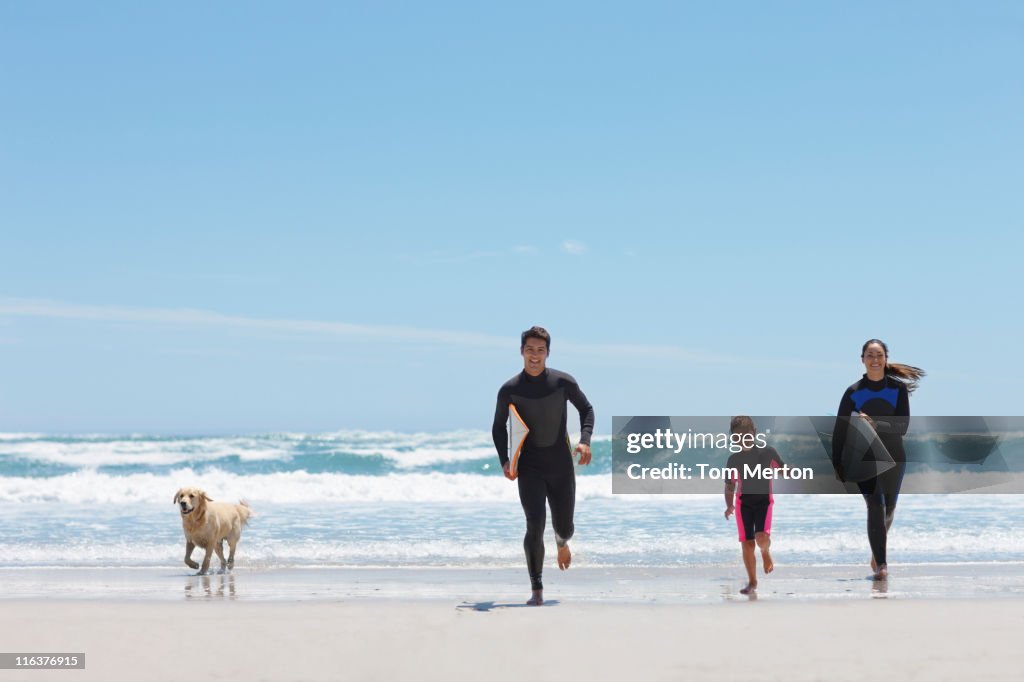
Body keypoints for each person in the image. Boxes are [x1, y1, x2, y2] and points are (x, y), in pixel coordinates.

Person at [491, 326, 595, 606]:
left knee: (565, 526)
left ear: (547, 353)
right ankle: (536, 588)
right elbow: (498, 428)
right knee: (534, 524)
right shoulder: (510, 390)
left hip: (560, 463)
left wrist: (585, 441)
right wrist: (505, 461)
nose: (534, 355)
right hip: (530, 466)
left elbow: (587, 409)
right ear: (521, 352)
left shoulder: (562, 383)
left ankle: (562, 544)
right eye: (529, 350)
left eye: (540, 350)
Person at [831, 339, 925, 580]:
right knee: (875, 505)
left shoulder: (897, 390)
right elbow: (840, 429)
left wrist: (875, 423)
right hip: (864, 457)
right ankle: (881, 565)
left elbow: (902, 426)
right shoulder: (853, 392)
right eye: (870, 355)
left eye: (879, 355)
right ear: (862, 359)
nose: (874, 359)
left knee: (889, 509)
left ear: (885, 359)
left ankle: (877, 549)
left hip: (894, 456)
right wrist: (837, 463)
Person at [724, 416, 784, 595]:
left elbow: (781, 468)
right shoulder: (733, 460)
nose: (742, 439)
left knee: (761, 537)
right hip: (743, 505)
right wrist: (729, 506)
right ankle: (752, 581)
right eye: (737, 436)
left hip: (764, 502)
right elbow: (729, 486)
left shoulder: (768, 453)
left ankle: (765, 552)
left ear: (754, 433)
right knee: (748, 544)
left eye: (746, 435)